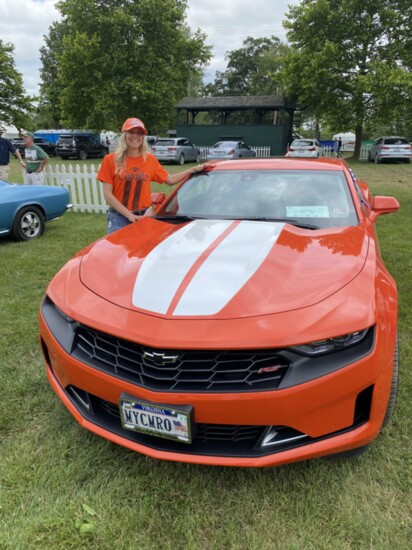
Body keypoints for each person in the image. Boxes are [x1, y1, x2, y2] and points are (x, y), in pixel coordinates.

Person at [98, 117, 206, 234]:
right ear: (124, 135)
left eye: (139, 133)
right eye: (131, 132)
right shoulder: (110, 160)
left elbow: (169, 179)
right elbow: (107, 194)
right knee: (118, 252)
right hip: (118, 218)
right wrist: (129, 215)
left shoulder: (149, 160)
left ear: (143, 137)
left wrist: (192, 170)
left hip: (144, 215)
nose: (135, 136)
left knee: (143, 252)